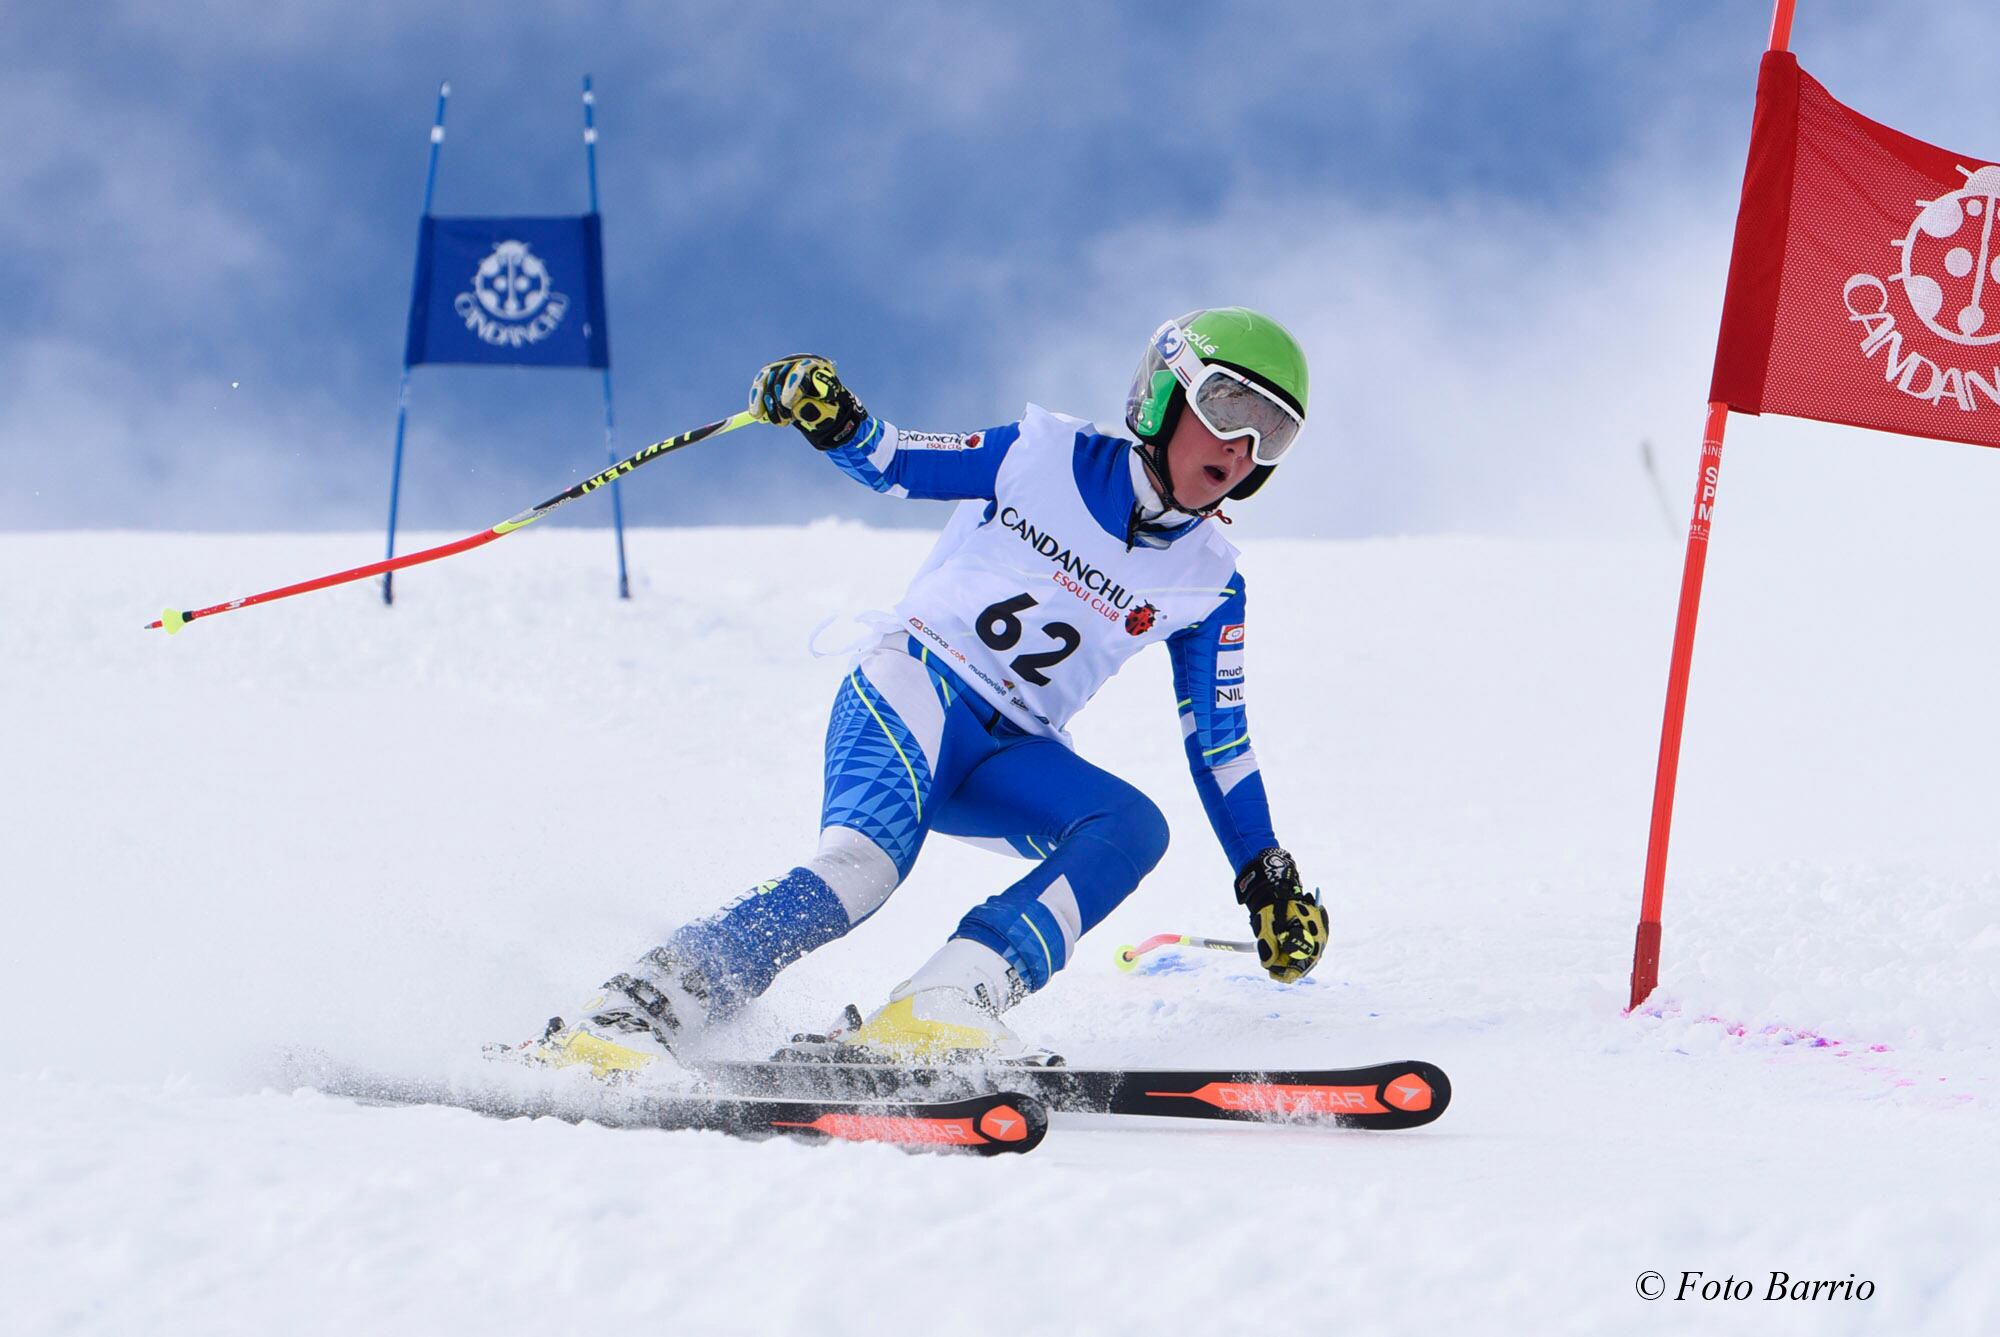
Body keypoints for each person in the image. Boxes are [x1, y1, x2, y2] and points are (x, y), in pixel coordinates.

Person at [528, 307, 1328, 1073]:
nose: (1244, 447)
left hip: (1011, 751)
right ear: (1164, 392)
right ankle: (633, 1007)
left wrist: (1266, 874)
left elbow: (1220, 743)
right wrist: (830, 413)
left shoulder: (1211, 581)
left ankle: (946, 999)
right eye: (1228, 407)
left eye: (1274, 432)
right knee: (861, 869)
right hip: (914, 683)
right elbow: (896, 458)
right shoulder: (1044, 454)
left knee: (1129, 826)